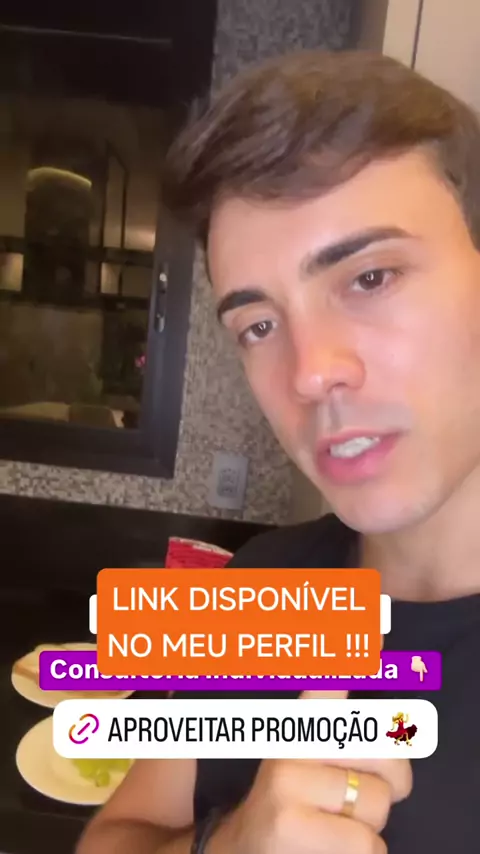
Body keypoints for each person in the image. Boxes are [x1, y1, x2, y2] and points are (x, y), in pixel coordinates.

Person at [76, 49, 480, 854]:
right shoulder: (265, 586)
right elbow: (114, 837)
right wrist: (228, 845)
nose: (309, 372)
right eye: (259, 324)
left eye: (370, 278)